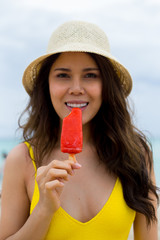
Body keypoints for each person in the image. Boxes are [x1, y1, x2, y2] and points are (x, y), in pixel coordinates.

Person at [0, 21, 159, 240]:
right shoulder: (22, 159)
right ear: (46, 86)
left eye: (90, 75)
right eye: (63, 75)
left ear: (106, 86)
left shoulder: (138, 155)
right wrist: (43, 209)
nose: (76, 88)